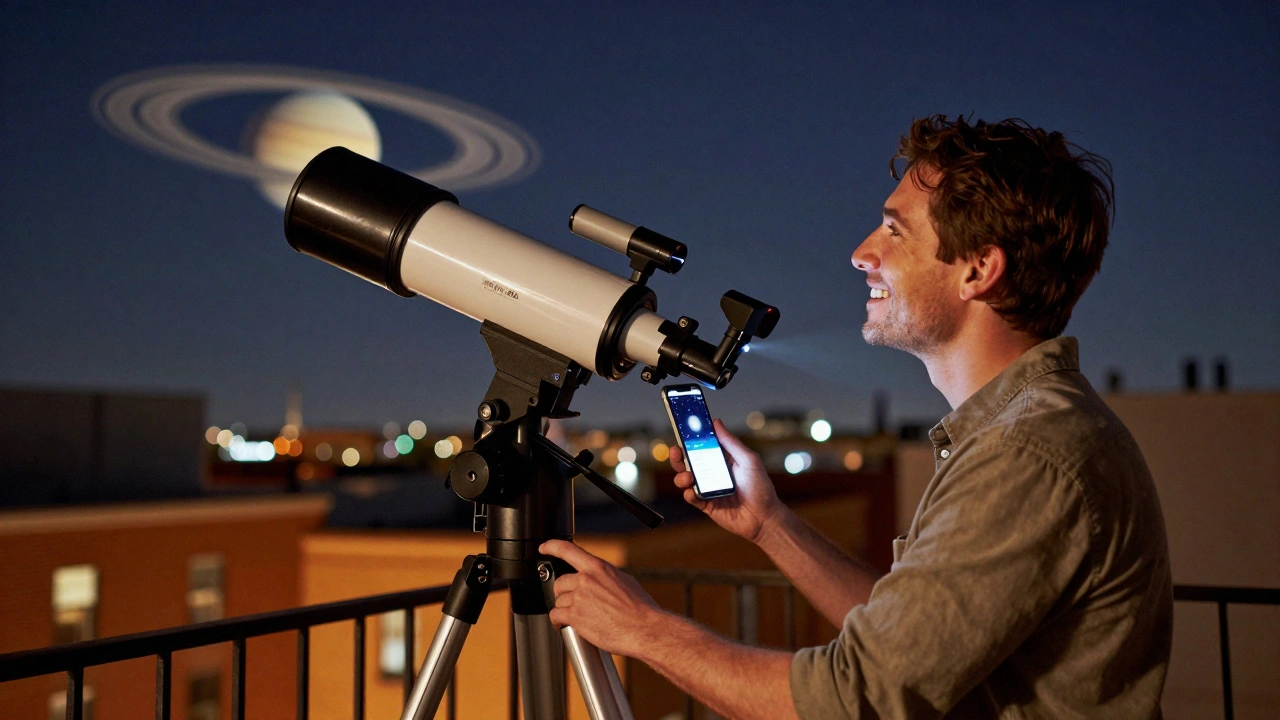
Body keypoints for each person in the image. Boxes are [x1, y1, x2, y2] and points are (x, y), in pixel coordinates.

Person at [540, 115, 1173, 719]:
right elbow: (911, 644)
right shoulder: (1026, 432)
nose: (860, 253)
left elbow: (854, 701)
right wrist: (770, 525)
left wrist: (645, 632)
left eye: (894, 231)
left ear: (979, 269)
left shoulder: (1027, 455)